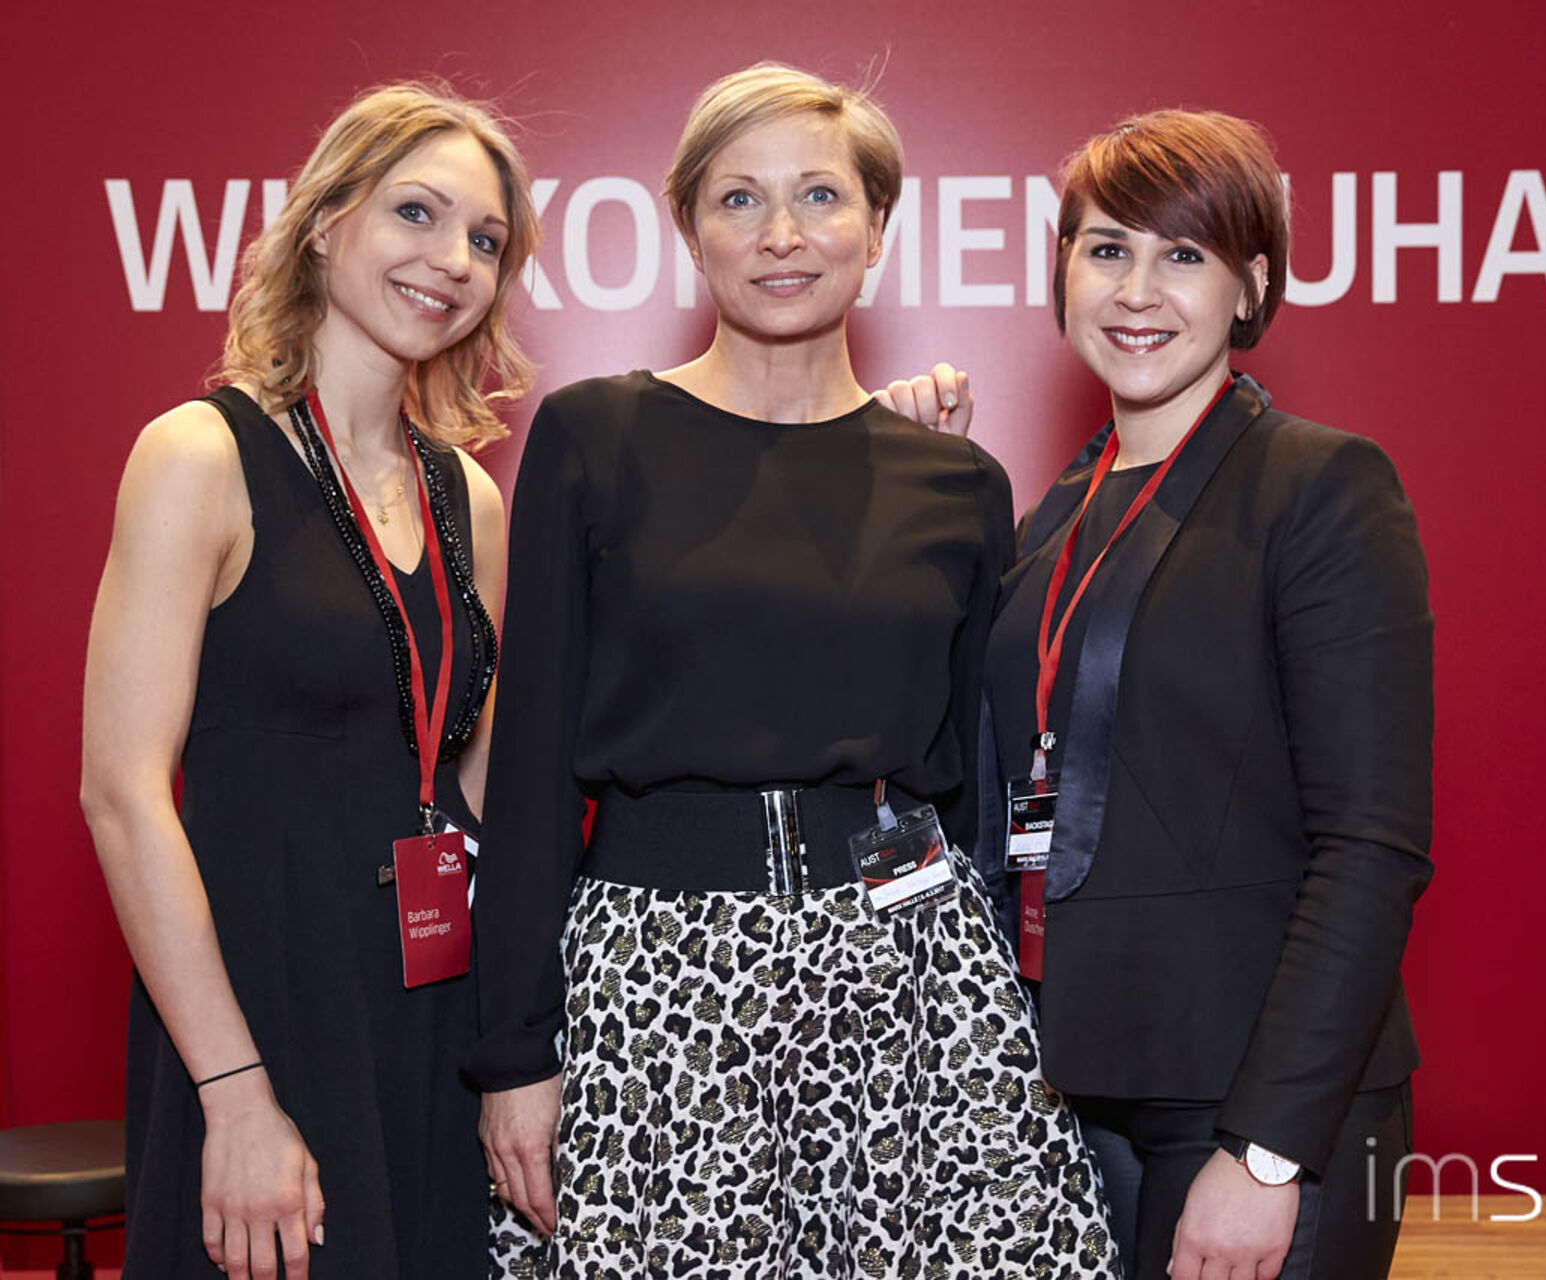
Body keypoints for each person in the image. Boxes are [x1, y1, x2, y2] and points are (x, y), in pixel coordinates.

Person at [467, 63, 1121, 1279]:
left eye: (821, 195)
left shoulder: (958, 482)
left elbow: (974, 793)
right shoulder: (594, 438)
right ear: (689, 230)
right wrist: (513, 1050)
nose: (782, 234)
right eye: (740, 198)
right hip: (661, 984)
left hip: (912, 975)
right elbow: (532, 771)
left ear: (877, 229)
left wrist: (993, 1002)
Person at [80, 82, 538, 1279]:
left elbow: (482, 783)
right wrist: (233, 1090)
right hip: (260, 1011)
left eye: (485, 239)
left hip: (434, 1012)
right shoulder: (199, 455)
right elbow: (122, 794)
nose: (453, 259)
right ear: (327, 221)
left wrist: (516, 1048)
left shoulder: (471, 498)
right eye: (417, 213)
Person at [975, 110, 1434, 1280]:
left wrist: (1267, 1149)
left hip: (1258, 1112)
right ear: (1064, 273)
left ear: (1252, 284)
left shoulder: (1320, 485)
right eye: (1107, 249)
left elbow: (1371, 843)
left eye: (1183, 254)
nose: (1138, 290)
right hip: (1080, 1092)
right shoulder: (1058, 508)